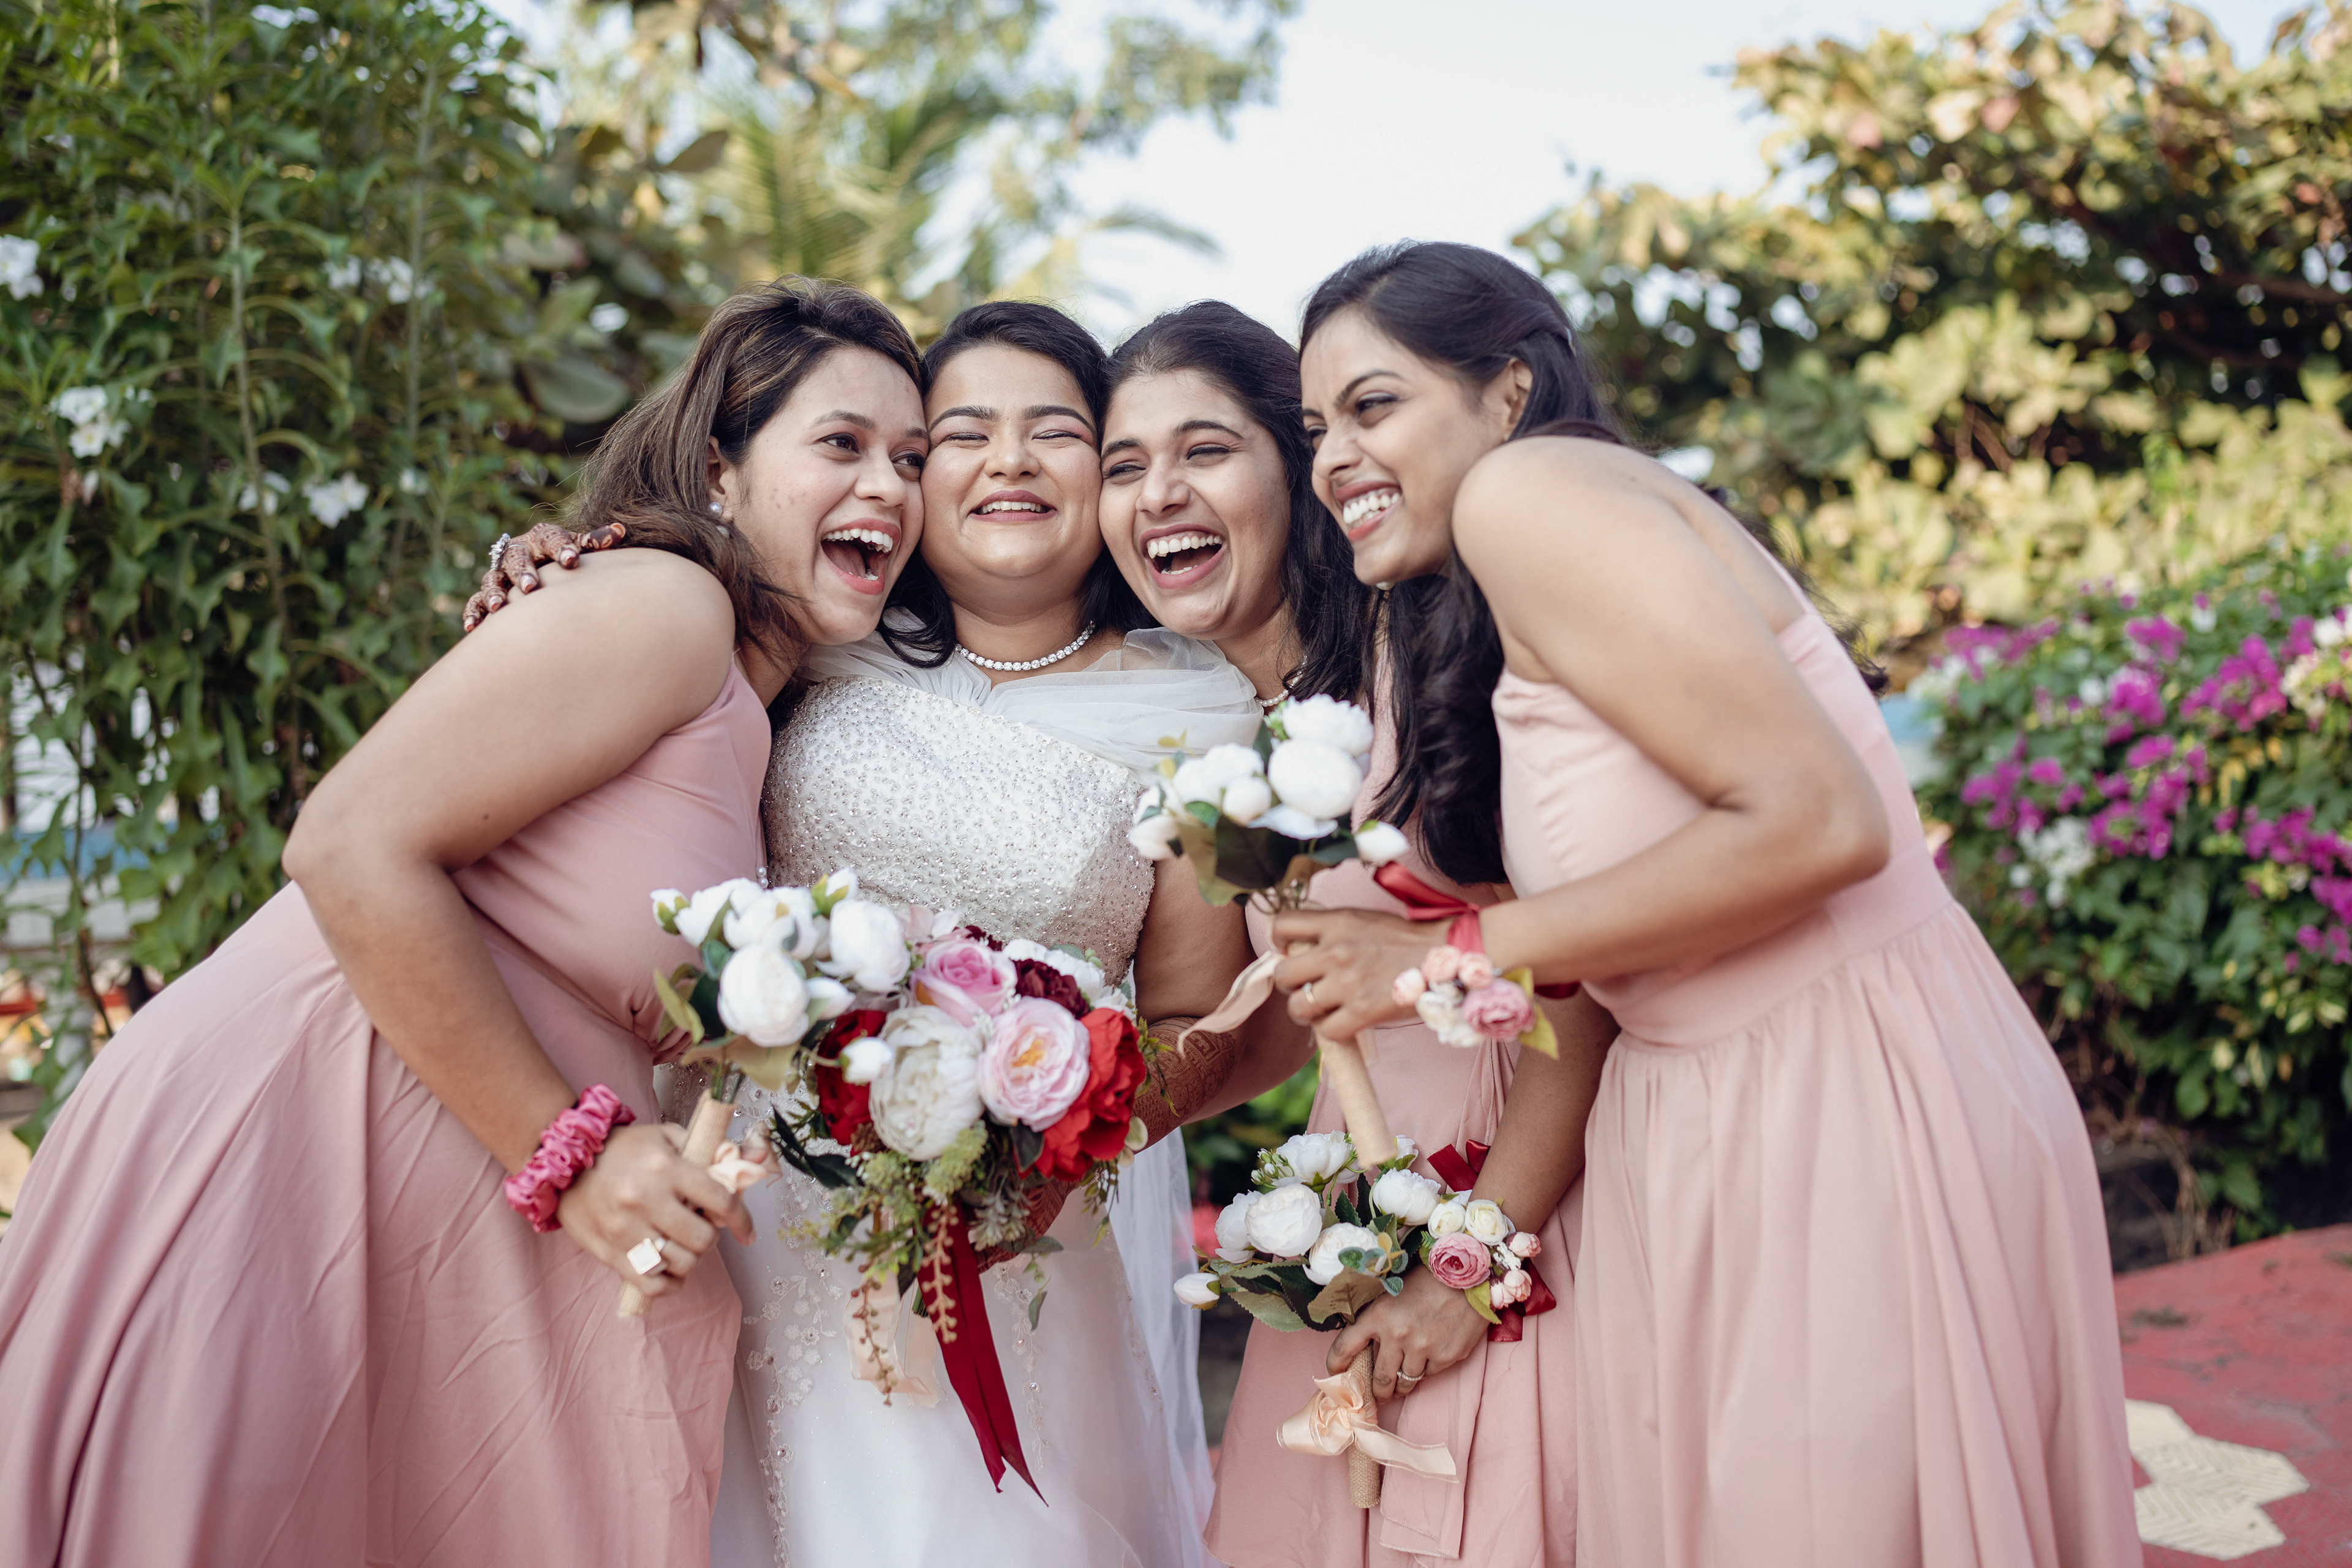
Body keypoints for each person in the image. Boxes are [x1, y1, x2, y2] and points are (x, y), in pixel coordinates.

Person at [0, 278, 932, 1568]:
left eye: (912, 458)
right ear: (721, 468)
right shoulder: (669, 606)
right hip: (304, 1127)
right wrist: (572, 1154)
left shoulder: (749, 701)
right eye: (842, 443)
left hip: (433, 1187)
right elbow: (346, 843)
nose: (889, 485)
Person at [1268, 242, 2141, 1568]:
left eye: (1373, 405)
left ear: (1508, 392)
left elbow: (1821, 820)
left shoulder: (1530, 493)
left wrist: (1446, 952)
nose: (1335, 458)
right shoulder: (1512, 559)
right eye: (1315, 428)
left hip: (1832, 1099)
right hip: (1719, 1113)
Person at [477, 300, 1263, 1567]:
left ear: (1108, 474)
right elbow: (640, 663)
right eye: (962, 434)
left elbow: (1189, 1017)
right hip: (736, 1193)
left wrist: (1060, 1138)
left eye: (1056, 431)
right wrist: (561, 560)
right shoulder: (809, 634)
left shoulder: (1202, 710)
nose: (1009, 460)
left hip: (1000, 1230)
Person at [1099, 299, 1613, 1567]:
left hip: (1521, 1192)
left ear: (1300, 468)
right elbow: (1280, 1025)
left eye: (1206, 450)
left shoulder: (1431, 662)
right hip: (1359, 1215)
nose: (1159, 493)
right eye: (1123, 464)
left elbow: (1579, 982)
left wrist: (1469, 1265)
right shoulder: (1244, 725)